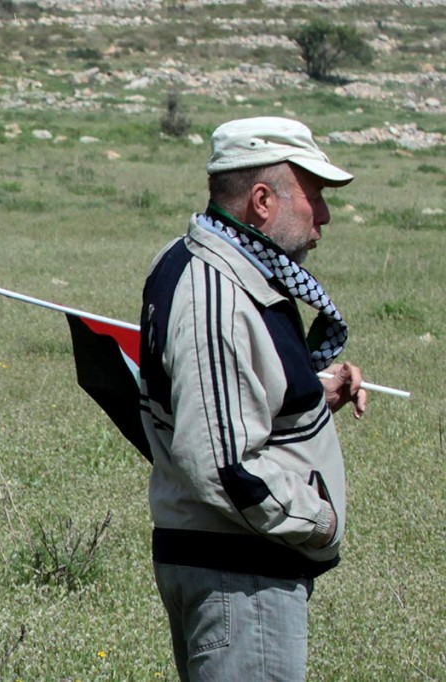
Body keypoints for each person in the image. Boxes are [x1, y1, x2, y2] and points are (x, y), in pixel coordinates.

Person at [138, 116, 368, 681]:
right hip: (240, 579)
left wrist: (315, 394)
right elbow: (221, 463)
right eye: (313, 197)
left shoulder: (211, 264)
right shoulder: (214, 291)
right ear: (262, 201)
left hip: (232, 568)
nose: (325, 217)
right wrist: (318, 519)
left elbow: (227, 403)